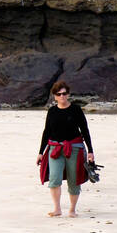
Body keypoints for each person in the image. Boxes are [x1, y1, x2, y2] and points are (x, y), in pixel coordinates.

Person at [37, 81, 95, 217]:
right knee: (54, 178)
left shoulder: (76, 110)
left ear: (68, 94)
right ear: (55, 96)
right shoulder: (52, 111)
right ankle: (57, 209)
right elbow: (47, 132)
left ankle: (72, 210)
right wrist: (40, 152)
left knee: (74, 180)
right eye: (59, 94)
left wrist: (90, 151)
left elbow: (85, 130)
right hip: (55, 148)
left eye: (64, 93)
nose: (62, 96)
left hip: (74, 148)